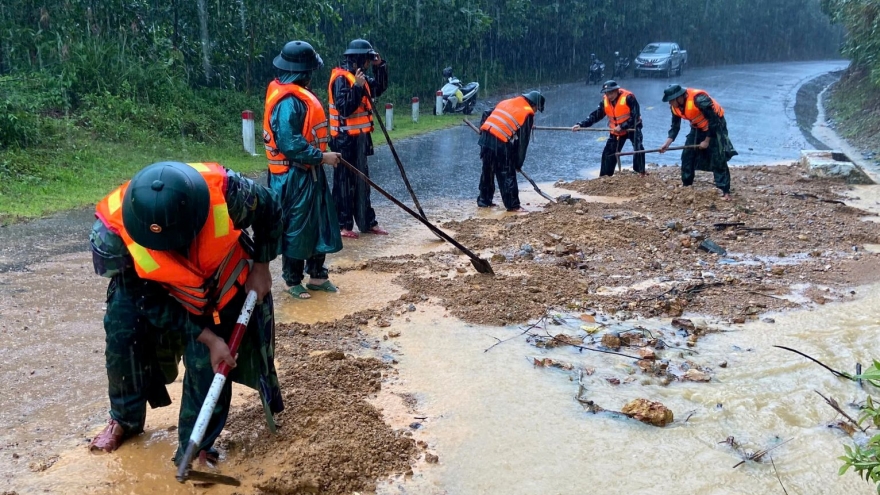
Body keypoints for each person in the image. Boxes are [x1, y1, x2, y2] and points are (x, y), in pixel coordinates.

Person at [88, 161, 284, 468]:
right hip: (151, 287)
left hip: (218, 276)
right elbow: (144, 299)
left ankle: (196, 445)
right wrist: (205, 336)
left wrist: (261, 266)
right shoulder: (110, 234)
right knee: (122, 334)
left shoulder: (230, 191)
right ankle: (124, 418)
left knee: (207, 361)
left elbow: (270, 207)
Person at [264, 40, 343, 299]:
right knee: (297, 227)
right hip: (293, 176)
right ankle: (292, 280)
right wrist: (322, 156)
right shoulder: (288, 102)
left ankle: (318, 275)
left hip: (310, 173)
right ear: (302, 72)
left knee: (318, 223)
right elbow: (290, 143)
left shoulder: (299, 95)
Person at [328, 38, 390, 239]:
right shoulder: (341, 78)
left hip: (361, 140)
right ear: (359, 60)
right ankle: (343, 225)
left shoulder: (360, 76)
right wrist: (356, 86)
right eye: (367, 60)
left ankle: (367, 222)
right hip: (344, 141)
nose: (367, 63)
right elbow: (344, 108)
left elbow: (378, 88)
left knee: (363, 182)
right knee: (344, 184)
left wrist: (380, 67)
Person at [659, 84, 737, 200]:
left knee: (718, 157)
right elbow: (675, 127)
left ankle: (725, 191)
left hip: (715, 127)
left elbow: (714, 121)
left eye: (671, 100)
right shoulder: (675, 107)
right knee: (687, 155)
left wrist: (706, 140)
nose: (669, 103)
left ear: (678, 97)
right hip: (698, 127)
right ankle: (687, 185)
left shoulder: (699, 99)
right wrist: (667, 143)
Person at [477, 91, 545, 212]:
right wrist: (518, 164)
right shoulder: (527, 113)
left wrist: (482, 129)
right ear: (533, 104)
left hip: (486, 139)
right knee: (507, 173)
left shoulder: (508, 102)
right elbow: (522, 144)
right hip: (499, 142)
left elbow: (487, 113)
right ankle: (513, 206)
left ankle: (484, 201)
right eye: (537, 109)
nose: (535, 112)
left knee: (488, 170)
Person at [572, 80, 645, 177]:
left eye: (611, 93)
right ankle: (605, 176)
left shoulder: (629, 98)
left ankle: (640, 171)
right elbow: (596, 115)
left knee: (638, 147)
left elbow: (635, 116)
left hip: (633, 127)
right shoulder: (605, 101)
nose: (609, 96)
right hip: (616, 131)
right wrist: (581, 125)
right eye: (607, 93)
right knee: (608, 152)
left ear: (617, 90)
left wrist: (623, 126)